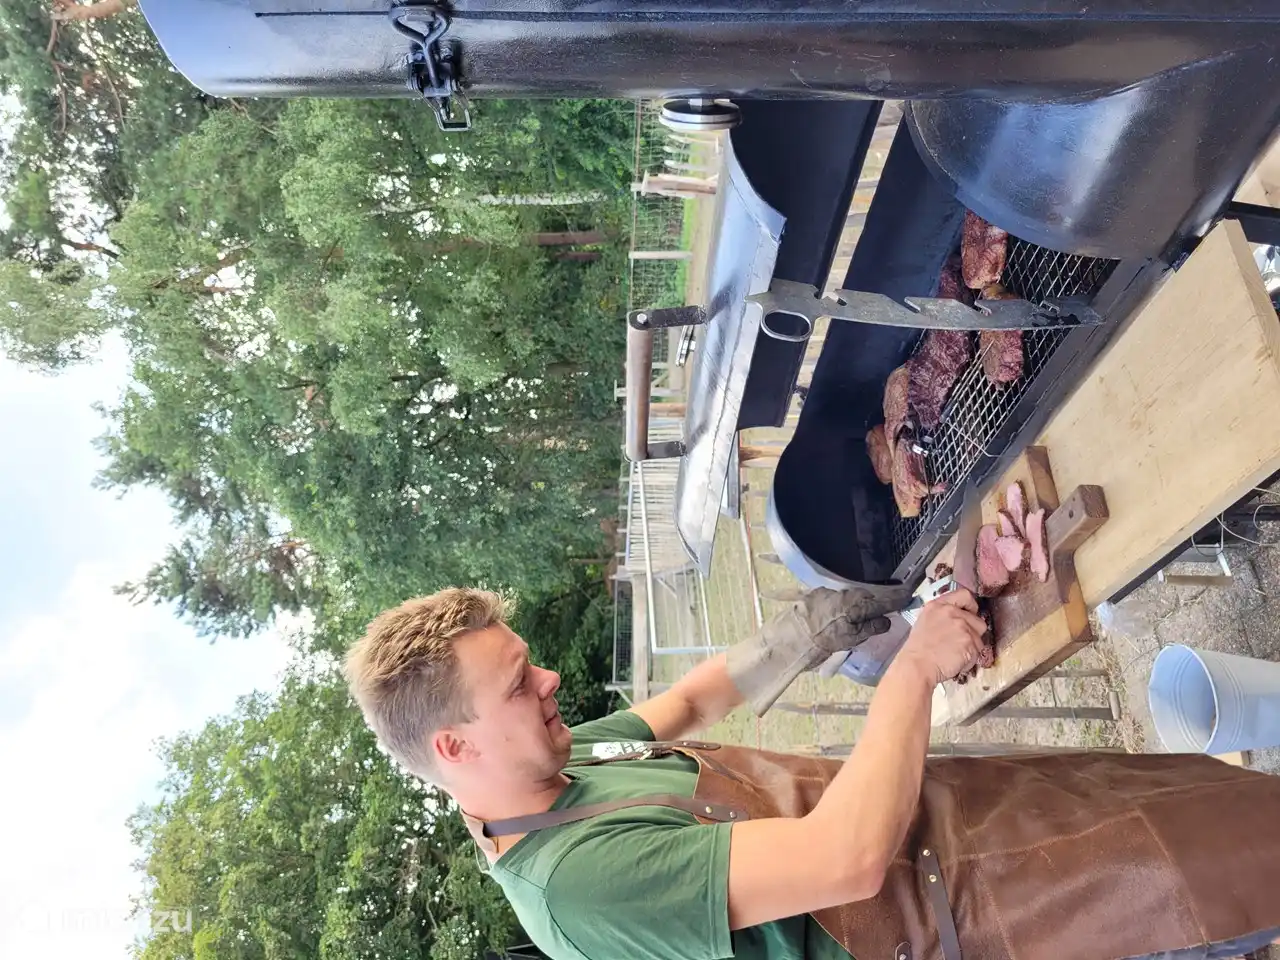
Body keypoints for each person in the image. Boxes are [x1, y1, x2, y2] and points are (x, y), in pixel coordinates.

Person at [344, 586, 1280, 960]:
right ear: (455, 750)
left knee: (1219, 795)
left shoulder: (563, 756)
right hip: (1005, 921)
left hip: (968, 813)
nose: (548, 680)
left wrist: (797, 632)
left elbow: (694, 704)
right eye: (517, 685)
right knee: (1240, 867)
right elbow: (847, 860)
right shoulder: (576, 890)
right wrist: (911, 669)